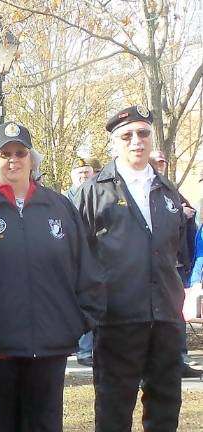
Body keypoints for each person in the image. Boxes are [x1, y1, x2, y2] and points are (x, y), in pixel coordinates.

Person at [0, 122, 104, 431]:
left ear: (33, 159)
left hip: (49, 347)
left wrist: (81, 320)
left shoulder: (59, 207)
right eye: (5, 154)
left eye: (21, 153)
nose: (13, 160)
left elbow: (86, 265)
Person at [76, 105, 186, 431]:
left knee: (166, 407)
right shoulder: (93, 192)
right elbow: (75, 256)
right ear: (114, 143)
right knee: (113, 408)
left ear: (152, 138)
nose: (136, 140)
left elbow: (177, 251)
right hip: (117, 318)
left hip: (165, 316)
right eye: (127, 135)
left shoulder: (168, 192)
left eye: (143, 133)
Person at [149, 150, 201, 378]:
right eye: (156, 162)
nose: (160, 166)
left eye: (163, 162)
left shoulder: (171, 190)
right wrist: (181, 213)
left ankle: (179, 360)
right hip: (151, 267)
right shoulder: (140, 191)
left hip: (177, 265)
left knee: (176, 314)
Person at [64, 157, 98, 367]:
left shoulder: (98, 194)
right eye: (80, 173)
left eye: (87, 172)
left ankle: (91, 349)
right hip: (71, 258)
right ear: (72, 176)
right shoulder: (62, 200)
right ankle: (83, 350)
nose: (84, 176)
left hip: (95, 256)